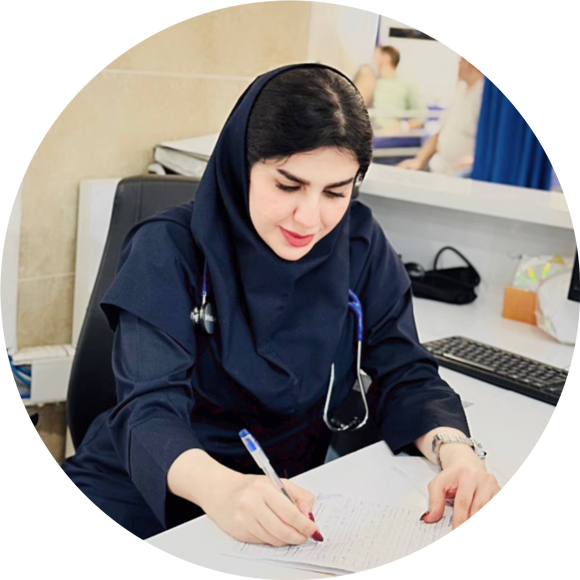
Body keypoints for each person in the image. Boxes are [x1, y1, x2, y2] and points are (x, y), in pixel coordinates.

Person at [22, 64, 520, 580]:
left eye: (335, 192)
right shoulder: (166, 249)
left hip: (278, 510)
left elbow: (406, 372)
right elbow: (146, 412)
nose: (310, 217)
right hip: (141, 497)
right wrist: (222, 489)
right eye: (288, 185)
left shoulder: (358, 244)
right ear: (244, 166)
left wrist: (457, 454)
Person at [398, 40, 487, 175]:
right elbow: (440, 133)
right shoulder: (461, 89)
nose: (458, 64)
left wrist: (475, 161)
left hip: (462, 174)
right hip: (439, 168)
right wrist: (418, 160)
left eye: (460, 59)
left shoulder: (483, 95)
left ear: (469, 61)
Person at [354, 45, 425, 132]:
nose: (372, 61)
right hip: (365, 129)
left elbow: (421, 117)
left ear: (386, 58)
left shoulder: (406, 84)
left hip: (387, 132)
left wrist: (401, 127)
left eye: (376, 56)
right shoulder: (369, 80)